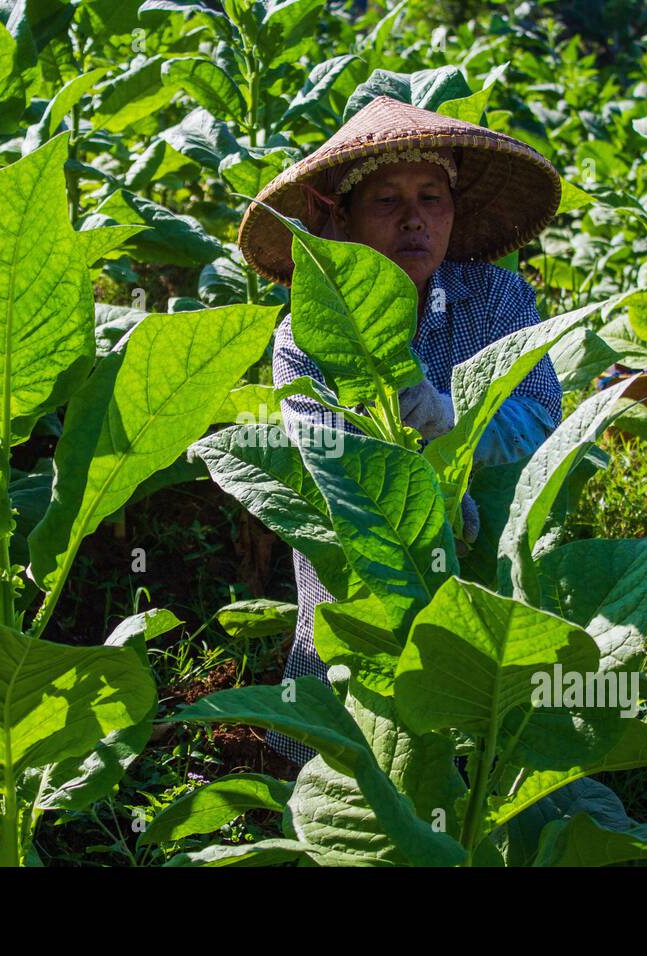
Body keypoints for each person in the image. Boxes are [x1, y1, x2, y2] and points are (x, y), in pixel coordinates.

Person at [234, 95, 565, 766]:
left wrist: (453, 420)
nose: (414, 220)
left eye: (432, 198)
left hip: (488, 577)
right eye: (387, 201)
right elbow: (333, 473)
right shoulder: (308, 335)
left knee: (484, 758)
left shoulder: (498, 301)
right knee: (346, 765)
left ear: (453, 211)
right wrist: (431, 503)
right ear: (344, 219)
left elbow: (541, 422)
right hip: (364, 593)